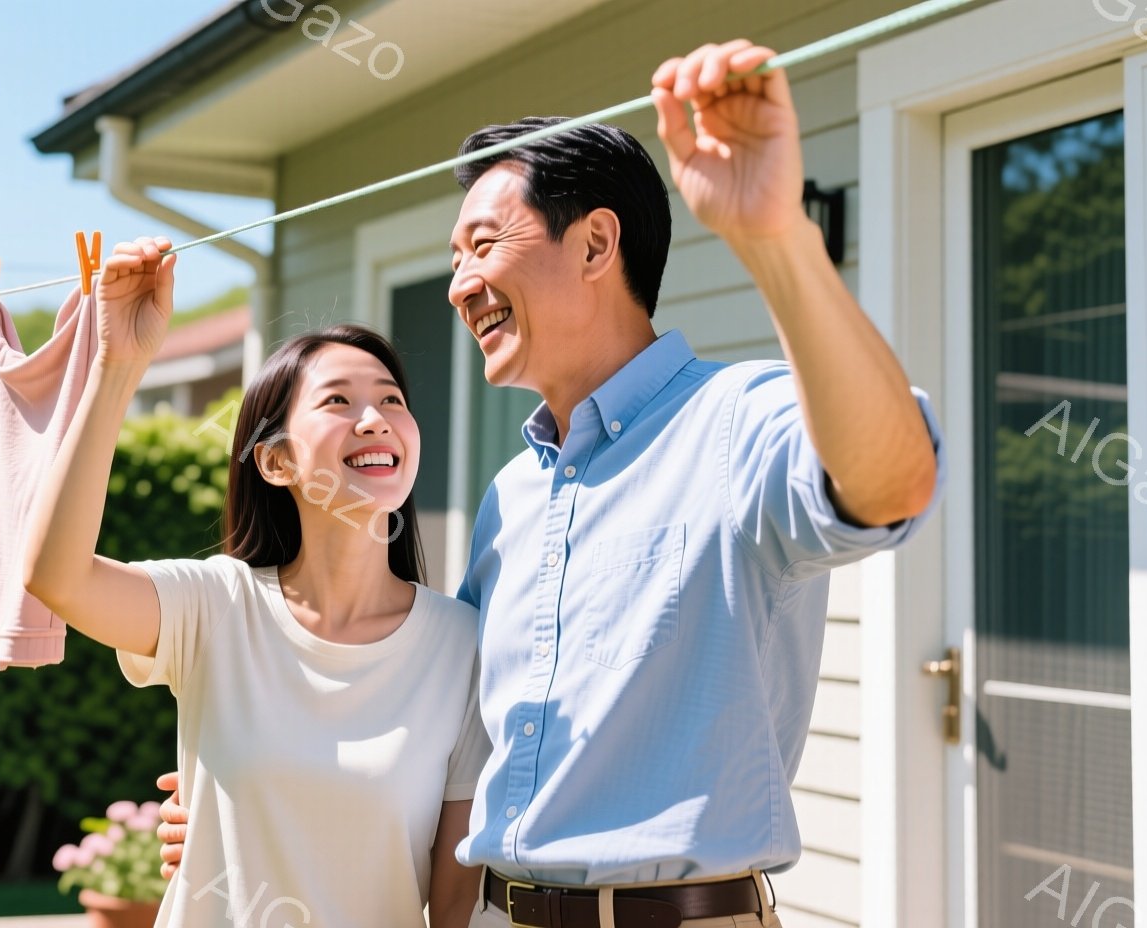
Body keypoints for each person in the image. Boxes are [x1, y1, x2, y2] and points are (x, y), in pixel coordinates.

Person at [152, 40, 944, 928]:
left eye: (482, 244)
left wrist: (777, 238)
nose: (460, 285)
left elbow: (893, 482)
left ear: (596, 242)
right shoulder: (512, 496)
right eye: (455, 258)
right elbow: (450, 734)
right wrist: (256, 796)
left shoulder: (737, 421)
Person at [21, 236, 491, 928]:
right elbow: (56, 578)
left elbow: (454, 902)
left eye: (392, 399)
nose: (375, 419)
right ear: (274, 462)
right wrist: (115, 368)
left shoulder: (461, 645)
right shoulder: (215, 605)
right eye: (338, 400)